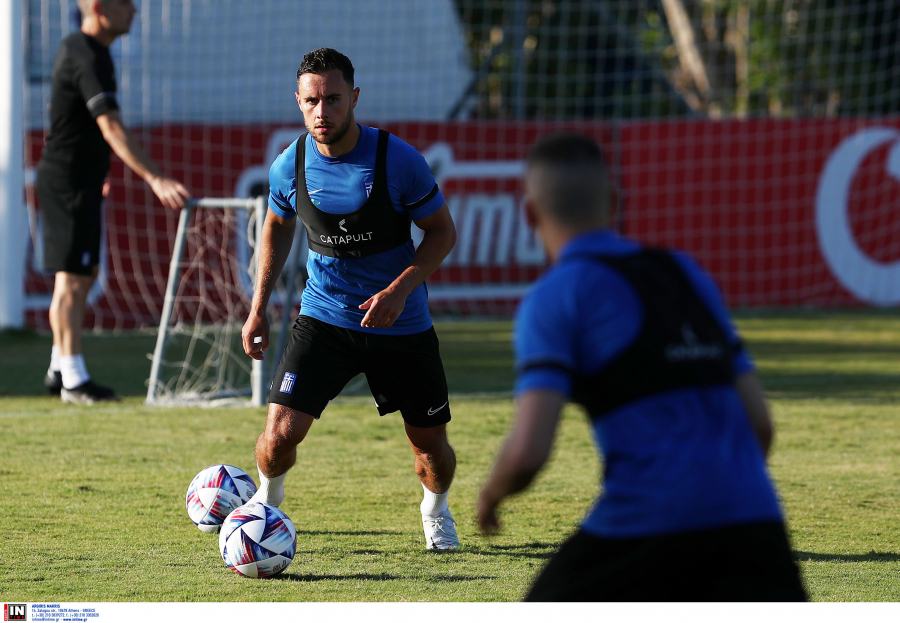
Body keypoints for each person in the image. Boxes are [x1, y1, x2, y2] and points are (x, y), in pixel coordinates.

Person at [476, 133, 807, 600]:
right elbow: (761, 425)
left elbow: (529, 451)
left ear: (530, 214)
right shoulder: (685, 271)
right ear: (614, 203)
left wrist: (491, 495)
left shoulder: (556, 296)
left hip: (645, 526)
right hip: (756, 522)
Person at [240, 48, 459, 550]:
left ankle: (436, 509)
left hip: (400, 325)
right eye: (312, 101)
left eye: (334, 99)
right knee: (277, 437)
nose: (323, 112)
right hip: (325, 318)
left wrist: (399, 290)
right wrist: (258, 309)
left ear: (354, 98)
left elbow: (442, 233)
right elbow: (276, 227)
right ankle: (265, 514)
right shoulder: (288, 166)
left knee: (430, 451)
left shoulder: (398, 160)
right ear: (298, 102)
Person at [36, 0, 191, 404]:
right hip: (66, 182)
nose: (135, 11)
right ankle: (73, 378)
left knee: (82, 276)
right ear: (101, 9)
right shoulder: (84, 52)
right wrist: (155, 177)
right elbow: (109, 125)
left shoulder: (91, 52)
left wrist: (97, 171)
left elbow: (74, 121)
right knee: (71, 278)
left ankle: (58, 366)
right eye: (126, 4)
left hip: (80, 180)